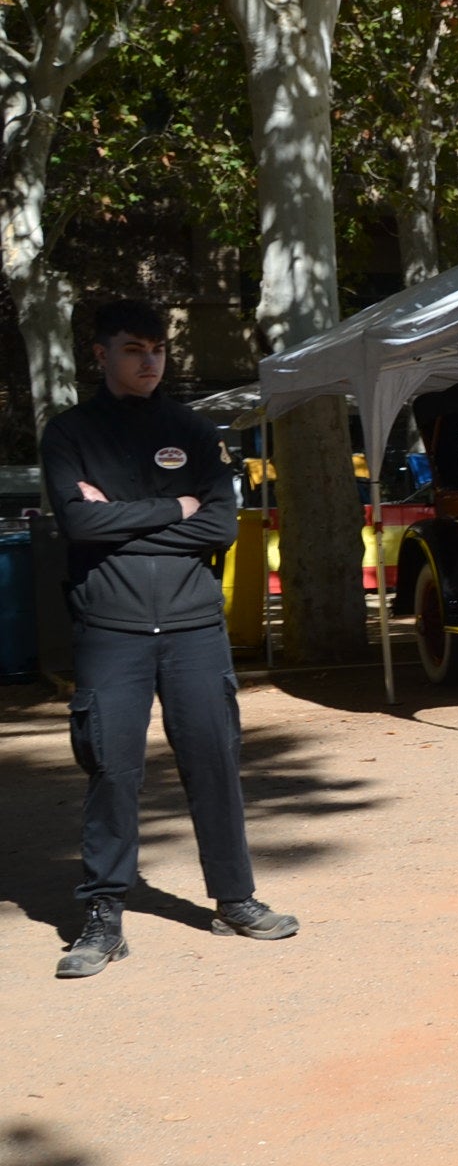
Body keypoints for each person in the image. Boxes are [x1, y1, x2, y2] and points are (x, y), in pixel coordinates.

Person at [38, 299, 298, 979]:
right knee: (112, 771)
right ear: (100, 353)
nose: (148, 361)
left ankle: (235, 899)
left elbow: (218, 528)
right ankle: (102, 916)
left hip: (193, 629)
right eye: (132, 348)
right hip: (110, 630)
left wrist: (120, 514)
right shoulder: (69, 433)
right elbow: (77, 525)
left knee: (214, 763)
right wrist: (171, 508)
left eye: (156, 349)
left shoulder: (191, 428)